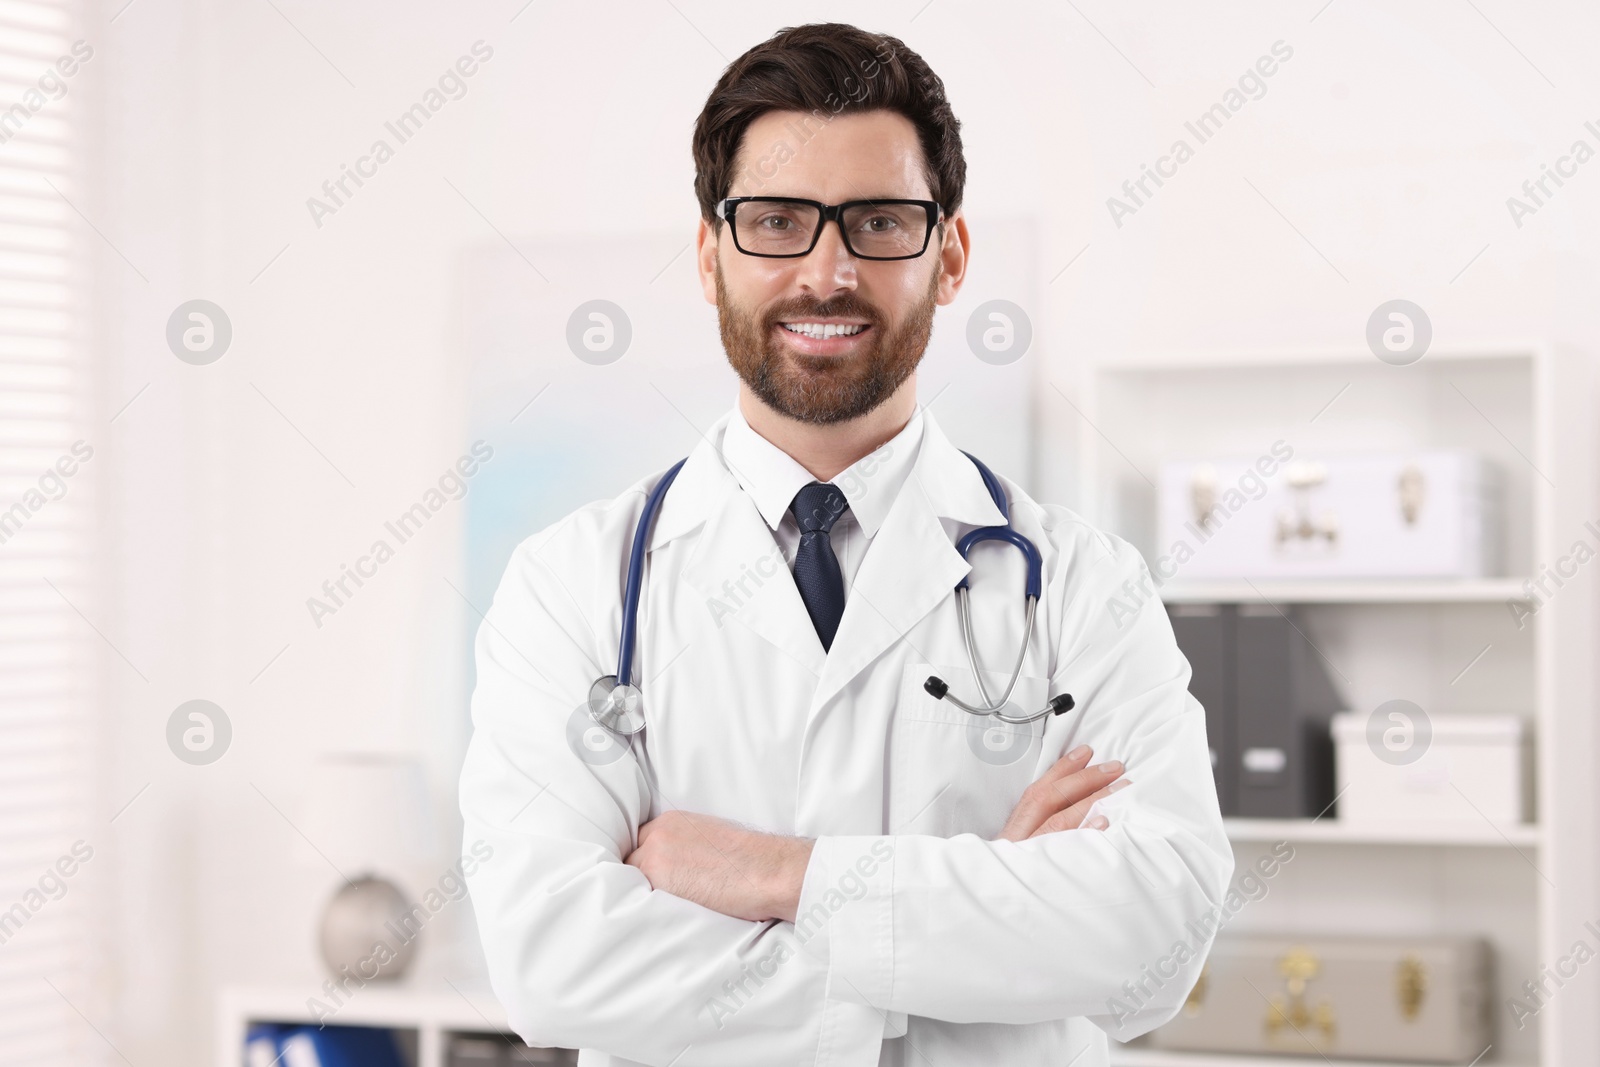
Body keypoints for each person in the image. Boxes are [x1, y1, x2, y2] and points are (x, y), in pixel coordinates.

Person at [459, 22, 1232, 1067]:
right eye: (777, 221)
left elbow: (1154, 941)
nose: (826, 272)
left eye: (876, 221)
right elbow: (553, 964)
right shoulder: (572, 586)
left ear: (948, 255)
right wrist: (976, 929)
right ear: (709, 254)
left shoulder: (1086, 587)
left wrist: (778, 875)